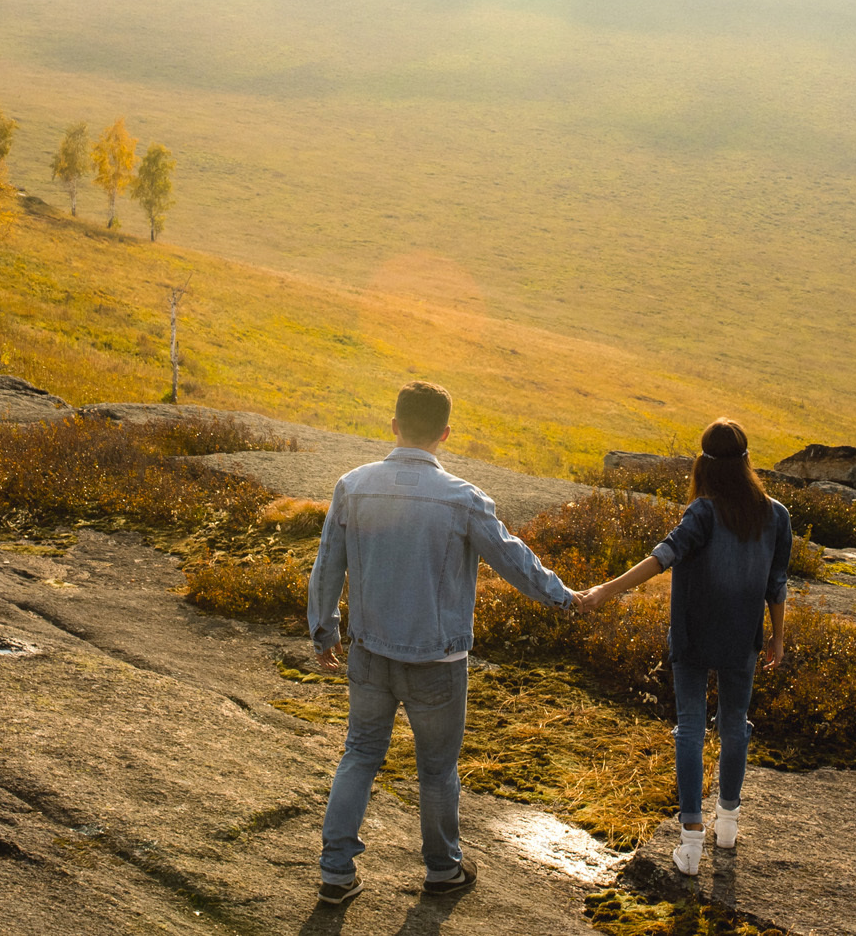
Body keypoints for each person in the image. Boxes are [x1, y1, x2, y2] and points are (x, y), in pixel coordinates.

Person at [307, 380, 585, 907]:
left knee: (360, 755)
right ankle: (442, 870)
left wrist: (324, 629)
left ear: (394, 425)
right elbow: (514, 560)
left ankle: (336, 872)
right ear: (445, 433)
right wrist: (565, 599)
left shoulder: (353, 485)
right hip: (438, 661)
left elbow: (327, 565)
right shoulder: (463, 498)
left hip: (367, 652)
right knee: (436, 769)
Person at [579, 417, 792, 875]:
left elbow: (662, 558)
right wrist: (777, 636)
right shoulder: (776, 515)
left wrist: (604, 591)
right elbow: (776, 584)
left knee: (691, 728)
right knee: (735, 724)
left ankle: (690, 843)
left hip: (694, 635)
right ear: (747, 462)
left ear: (703, 464)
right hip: (742, 638)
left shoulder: (702, 513)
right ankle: (728, 825)